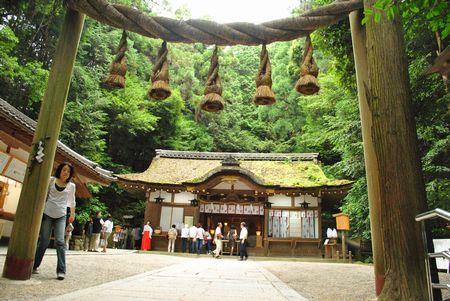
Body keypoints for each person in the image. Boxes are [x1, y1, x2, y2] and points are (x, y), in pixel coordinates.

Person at [32, 162, 76, 280]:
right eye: (64, 170)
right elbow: (43, 194)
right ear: (60, 170)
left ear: (70, 174)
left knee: (60, 242)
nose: (66, 172)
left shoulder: (71, 186)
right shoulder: (51, 180)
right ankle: (34, 266)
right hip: (47, 213)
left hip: (61, 216)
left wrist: (72, 214)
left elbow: (71, 202)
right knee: (44, 241)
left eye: (68, 171)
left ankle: (61, 270)